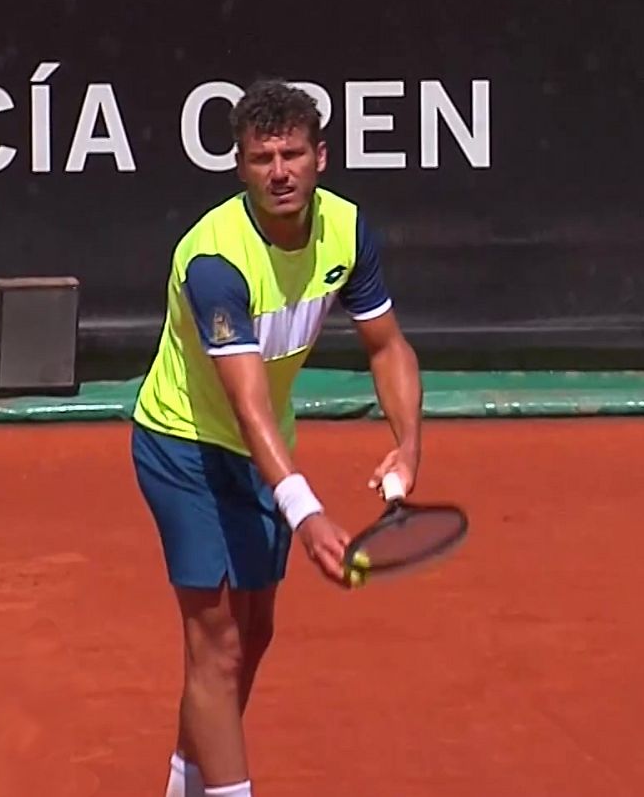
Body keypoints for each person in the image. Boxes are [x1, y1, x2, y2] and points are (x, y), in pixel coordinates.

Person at [129, 79, 424, 796]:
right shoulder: (214, 261)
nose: (280, 170)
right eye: (262, 158)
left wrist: (408, 443)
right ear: (241, 167)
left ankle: (185, 786)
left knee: (252, 633)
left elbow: (387, 346)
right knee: (215, 644)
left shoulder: (347, 232)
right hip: (184, 447)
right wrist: (303, 508)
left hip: (263, 453)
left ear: (321, 156)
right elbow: (247, 396)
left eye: (292, 153)